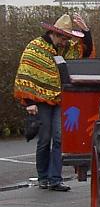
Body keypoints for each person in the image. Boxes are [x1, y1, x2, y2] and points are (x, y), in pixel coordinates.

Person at [14, 13, 93, 192]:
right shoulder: (34, 48)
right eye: (64, 38)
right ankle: (43, 177)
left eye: (68, 38)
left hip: (59, 98)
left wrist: (86, 31)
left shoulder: (64, 49)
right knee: (44, 139)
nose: (66, 42)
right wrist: (28, 102)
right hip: (39, 100)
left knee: (59, 138)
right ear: (54, 34)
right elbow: (24, 75)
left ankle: (55, 179)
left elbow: (84, 51)